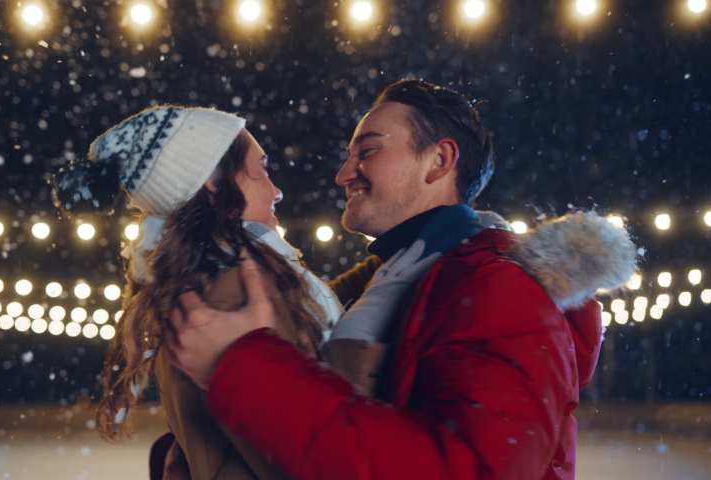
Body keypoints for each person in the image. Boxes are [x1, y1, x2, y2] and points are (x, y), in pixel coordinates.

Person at [164, 80, 639, 480]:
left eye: (367, 151)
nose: (343, 173)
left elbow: (468, 470)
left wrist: (244, 369)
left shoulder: (497, 288)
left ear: (438, 161)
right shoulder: (401, 279)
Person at [53, 105, 344, 480]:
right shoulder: (235, 296)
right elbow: (311, 453)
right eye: (261, 169)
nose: (277, 191)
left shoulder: (205, 283)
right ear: (213, 180)